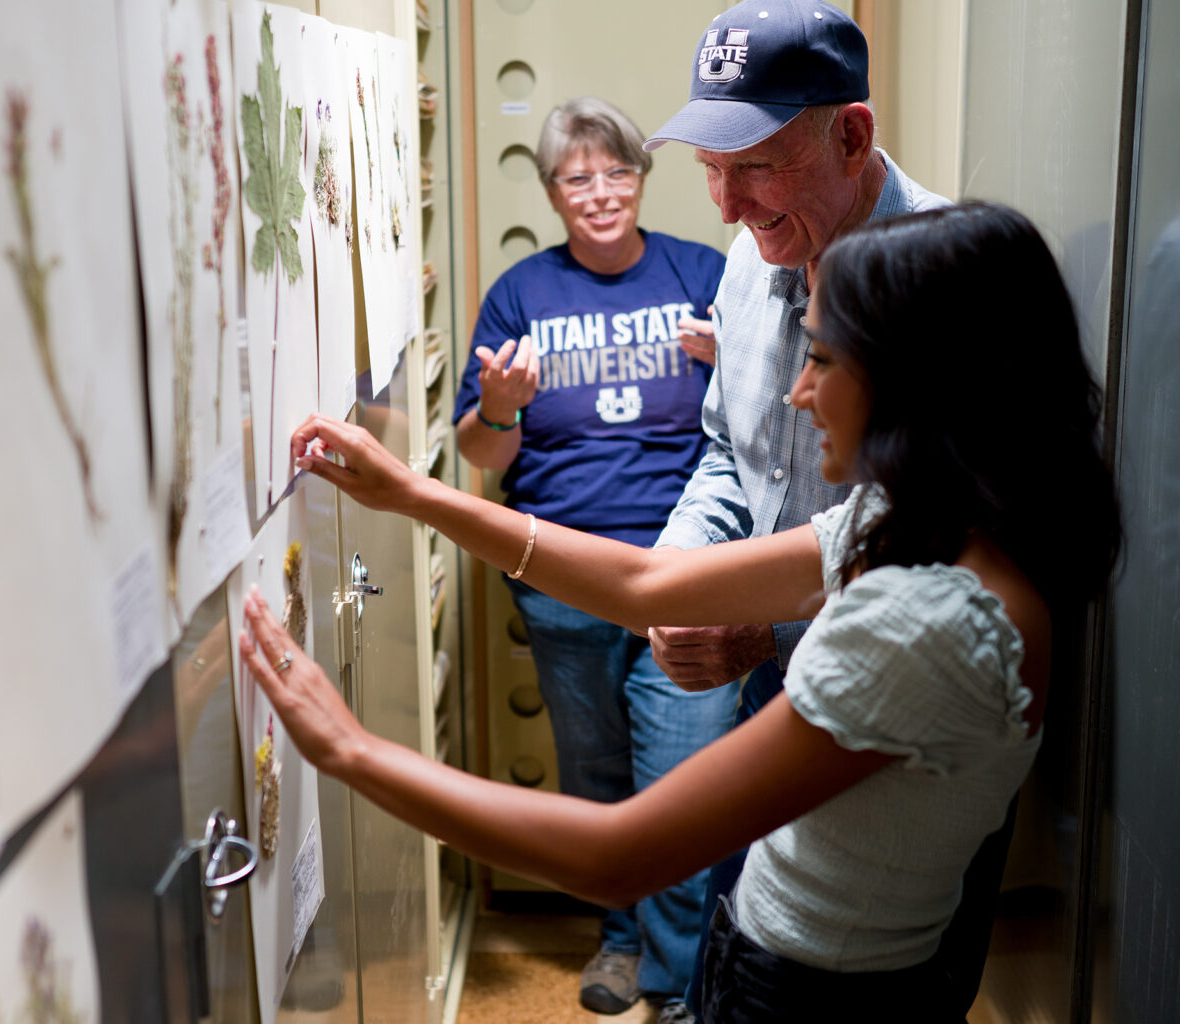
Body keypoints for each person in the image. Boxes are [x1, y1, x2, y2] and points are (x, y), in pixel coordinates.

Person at [247, 203, 1120, 1023]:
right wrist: (412, 494)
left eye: (822, 359)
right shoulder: (929, 521)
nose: (797, 394)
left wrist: (350, 752)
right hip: (804, 965)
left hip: (812, 997)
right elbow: (644, 586)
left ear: (917, 382)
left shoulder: (924, 626)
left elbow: (619, 854)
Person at [636, 3, 973, 1017]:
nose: (728, 204)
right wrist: (686, 573)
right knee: (744, 957)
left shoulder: (949, 276)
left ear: (853, 134)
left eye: (756, 164)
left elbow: (954, 553)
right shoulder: (755, 258)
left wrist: (765, 624)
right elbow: (726, 454)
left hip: (896, 725)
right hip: (769, 681)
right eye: (709, 165)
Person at [452, 96, 736, 1015]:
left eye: (618, 172)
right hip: (563, 577)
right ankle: (620, 942)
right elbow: (482, 453)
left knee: (684, 785)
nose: (602, 193)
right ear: (551, 192)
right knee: (599, 780)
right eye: (579, 178)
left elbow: (772, 415)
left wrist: (730, 358)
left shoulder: (705, 274)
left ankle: (681, 978)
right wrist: (500, 406)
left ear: (643, 180)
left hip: (686, 574)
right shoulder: (521, 293)